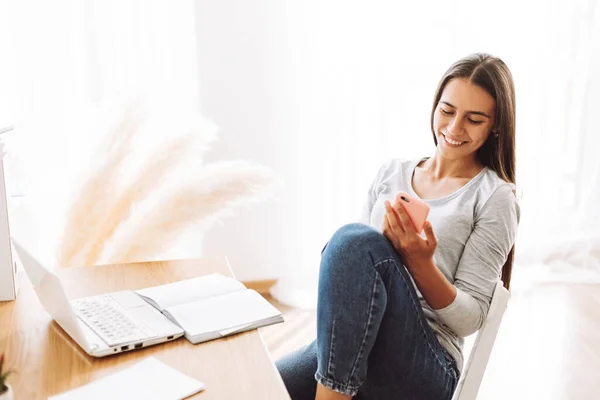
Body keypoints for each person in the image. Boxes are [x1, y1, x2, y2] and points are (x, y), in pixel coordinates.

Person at [276, 53, 520, 400]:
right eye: (447, 111)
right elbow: (349, 273)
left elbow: (469, 320)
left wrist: (420, 264)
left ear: (496, 125)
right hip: (360, 337)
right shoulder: (393, 173)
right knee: (252, 385)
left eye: (474, 119)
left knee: (354, 241)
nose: (453, 129)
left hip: (426, 363)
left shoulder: (495, 197)